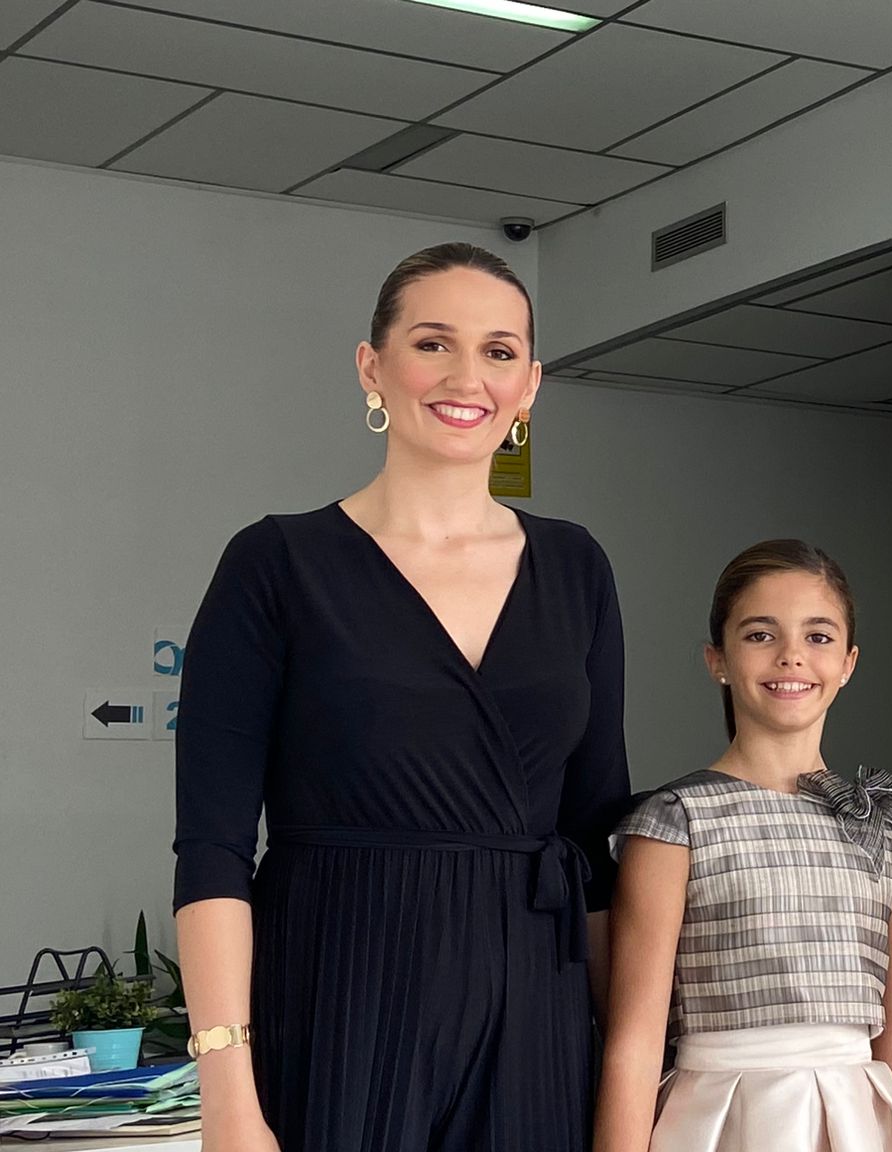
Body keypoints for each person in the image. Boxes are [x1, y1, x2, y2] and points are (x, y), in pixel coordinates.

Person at [171, 242, 632, 1151]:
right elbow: (214, 849)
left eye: (499, 351)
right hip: (339, 992)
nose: (467, 377)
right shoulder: (276, 564)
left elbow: (598, 841)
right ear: (371, 366)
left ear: (530, 386)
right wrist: (227, 1096)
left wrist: (632, 1075)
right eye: (433, 343)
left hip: (534, 1011)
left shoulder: (576, 567)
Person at [596, 540, 892, 1152]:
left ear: (848, 662)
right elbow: (634, 1047)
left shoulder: (888, 830)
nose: (792, 656)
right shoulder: (675, 823)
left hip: (859, 1125)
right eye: (761, 635)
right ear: (717, 659)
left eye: (818, 636)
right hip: (720, 1121)